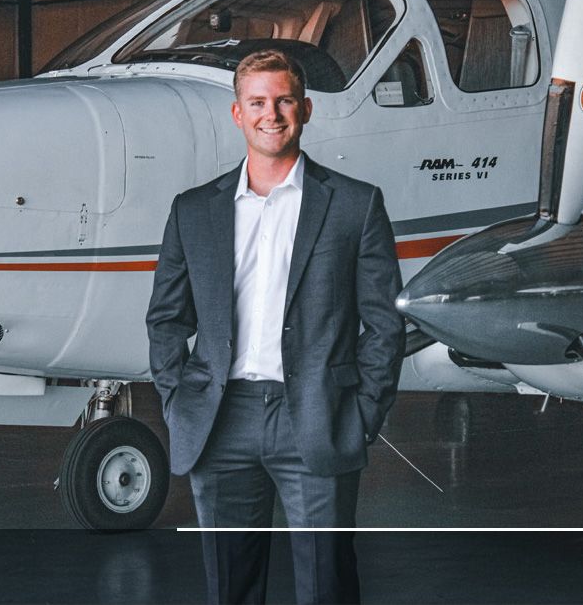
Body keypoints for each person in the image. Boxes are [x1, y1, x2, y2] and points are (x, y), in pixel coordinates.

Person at [146, 49, 405, 605]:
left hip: (316, 415)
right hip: (221, 421)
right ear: (238, 114)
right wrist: (177, 402)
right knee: (230, 590)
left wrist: (362, 413)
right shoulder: (192, 211)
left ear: (306, 109)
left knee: (327, 586)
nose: (272, 113)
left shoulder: (355, 206)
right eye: (258, 102)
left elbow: (385, 324)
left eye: (284, 100)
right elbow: (167, 320)